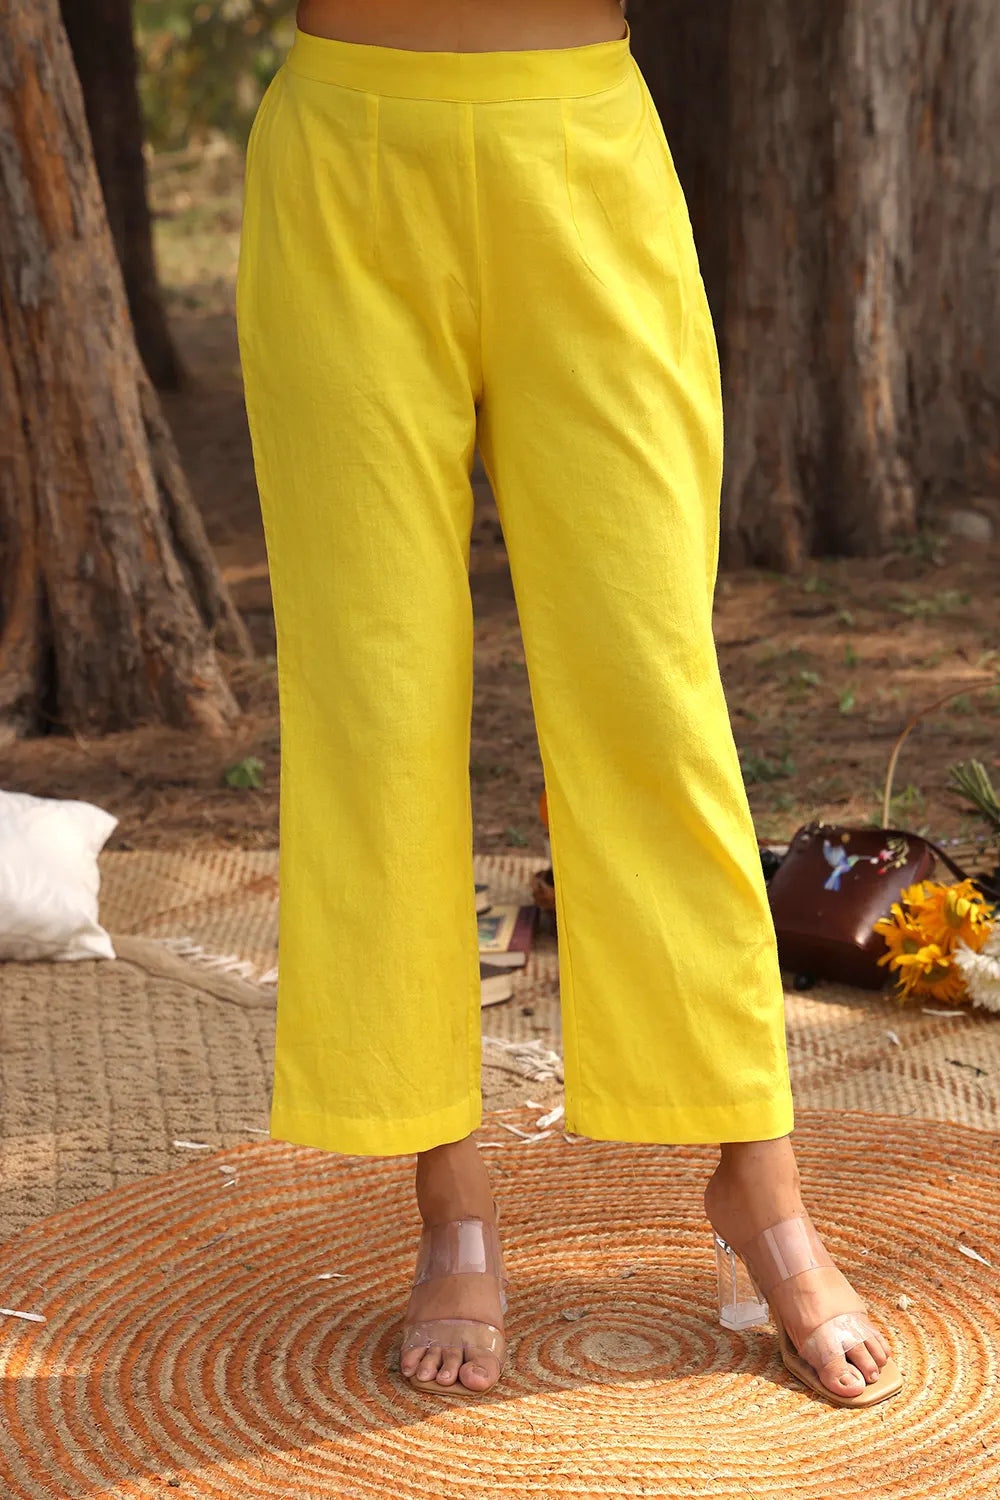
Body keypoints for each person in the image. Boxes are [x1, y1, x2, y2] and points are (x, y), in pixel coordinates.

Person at [235, 0, 902, 1408]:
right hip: (342, 158)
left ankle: (759, 1179)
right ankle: (451, 1195)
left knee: (651, 693)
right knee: (374, 704)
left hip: (583, 146)